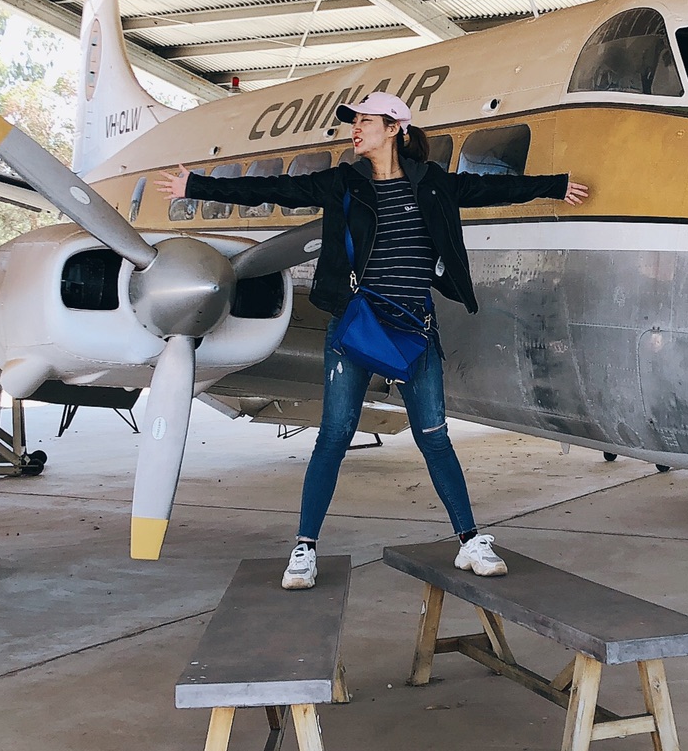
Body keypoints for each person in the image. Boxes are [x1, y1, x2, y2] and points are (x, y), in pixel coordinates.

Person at [159, 93, 589, 588]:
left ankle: (470, 540)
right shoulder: (344, 183)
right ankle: (304, 549)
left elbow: (493, 189)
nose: (355, 130)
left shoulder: (433, 185)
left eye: (365, 122)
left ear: (396, 129)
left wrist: (556, 186)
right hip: (357, 325)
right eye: (355, 122)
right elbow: (277, 189)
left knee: (435, 437)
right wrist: (195, 184)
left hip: (414, 327)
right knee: (334, 436)